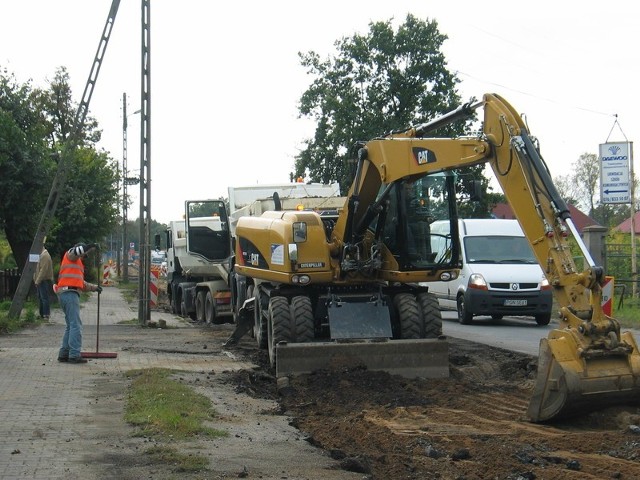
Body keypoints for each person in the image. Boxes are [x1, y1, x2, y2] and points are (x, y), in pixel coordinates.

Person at [54, 243, 102, 364]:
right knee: (76, 325)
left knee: (70, 325)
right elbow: (77, 251)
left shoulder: (74, 264)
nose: (84, 257)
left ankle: (64, 353)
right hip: (69, 293)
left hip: (65, 293)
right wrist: (91, 246)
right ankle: (74, 354)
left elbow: (81, 283)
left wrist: (95, 288)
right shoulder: (71, 254)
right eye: (84, 254)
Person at [33, 243, 54, 320]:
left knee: (44, 298)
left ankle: (46, 314)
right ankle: (42, 314)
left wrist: (37, 280)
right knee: (41, 297)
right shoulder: (41, 255)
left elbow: (43, 270)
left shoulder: (44, 256)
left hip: (43, 280)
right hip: (40, 280)